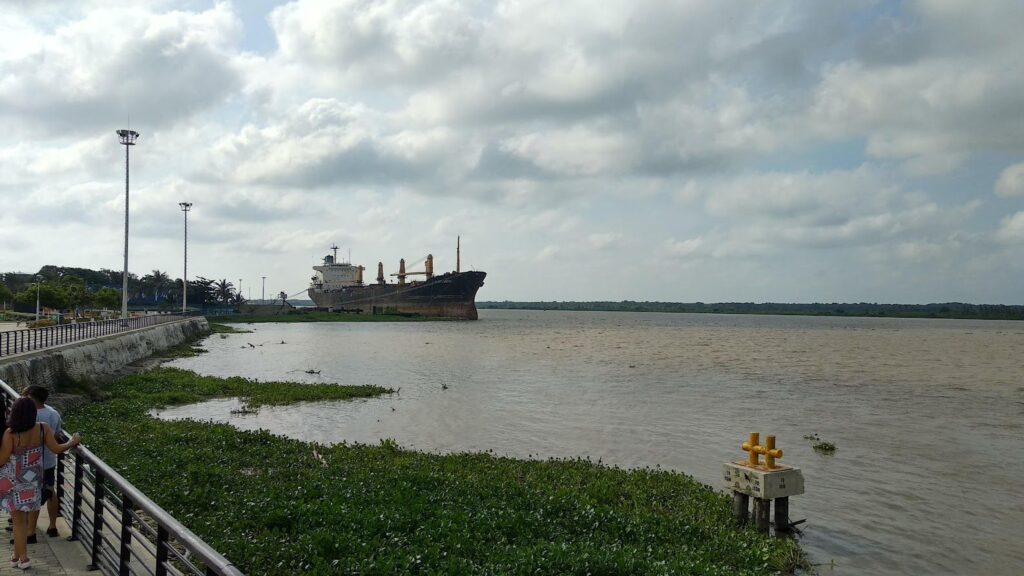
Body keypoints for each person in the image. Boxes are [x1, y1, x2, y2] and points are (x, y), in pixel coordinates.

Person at [0, 397, 79, 570]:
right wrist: (71, 443)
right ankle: (15, 556)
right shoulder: (43, 428)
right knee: (24, 521)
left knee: (18, 522)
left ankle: (24, 558)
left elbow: (2, 459)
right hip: (32, 481)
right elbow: (57, 449)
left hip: (13, 482)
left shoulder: (10, 433)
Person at [23, 386, 62, 539]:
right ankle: (52, 526)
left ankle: (29, 529)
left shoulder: (28, 414)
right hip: (49, 460)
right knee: (50, 490)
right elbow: (58, 434)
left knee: (32, 493)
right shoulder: (53, 413)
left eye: (25, 395)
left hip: (31, 462)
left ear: (32, 397)